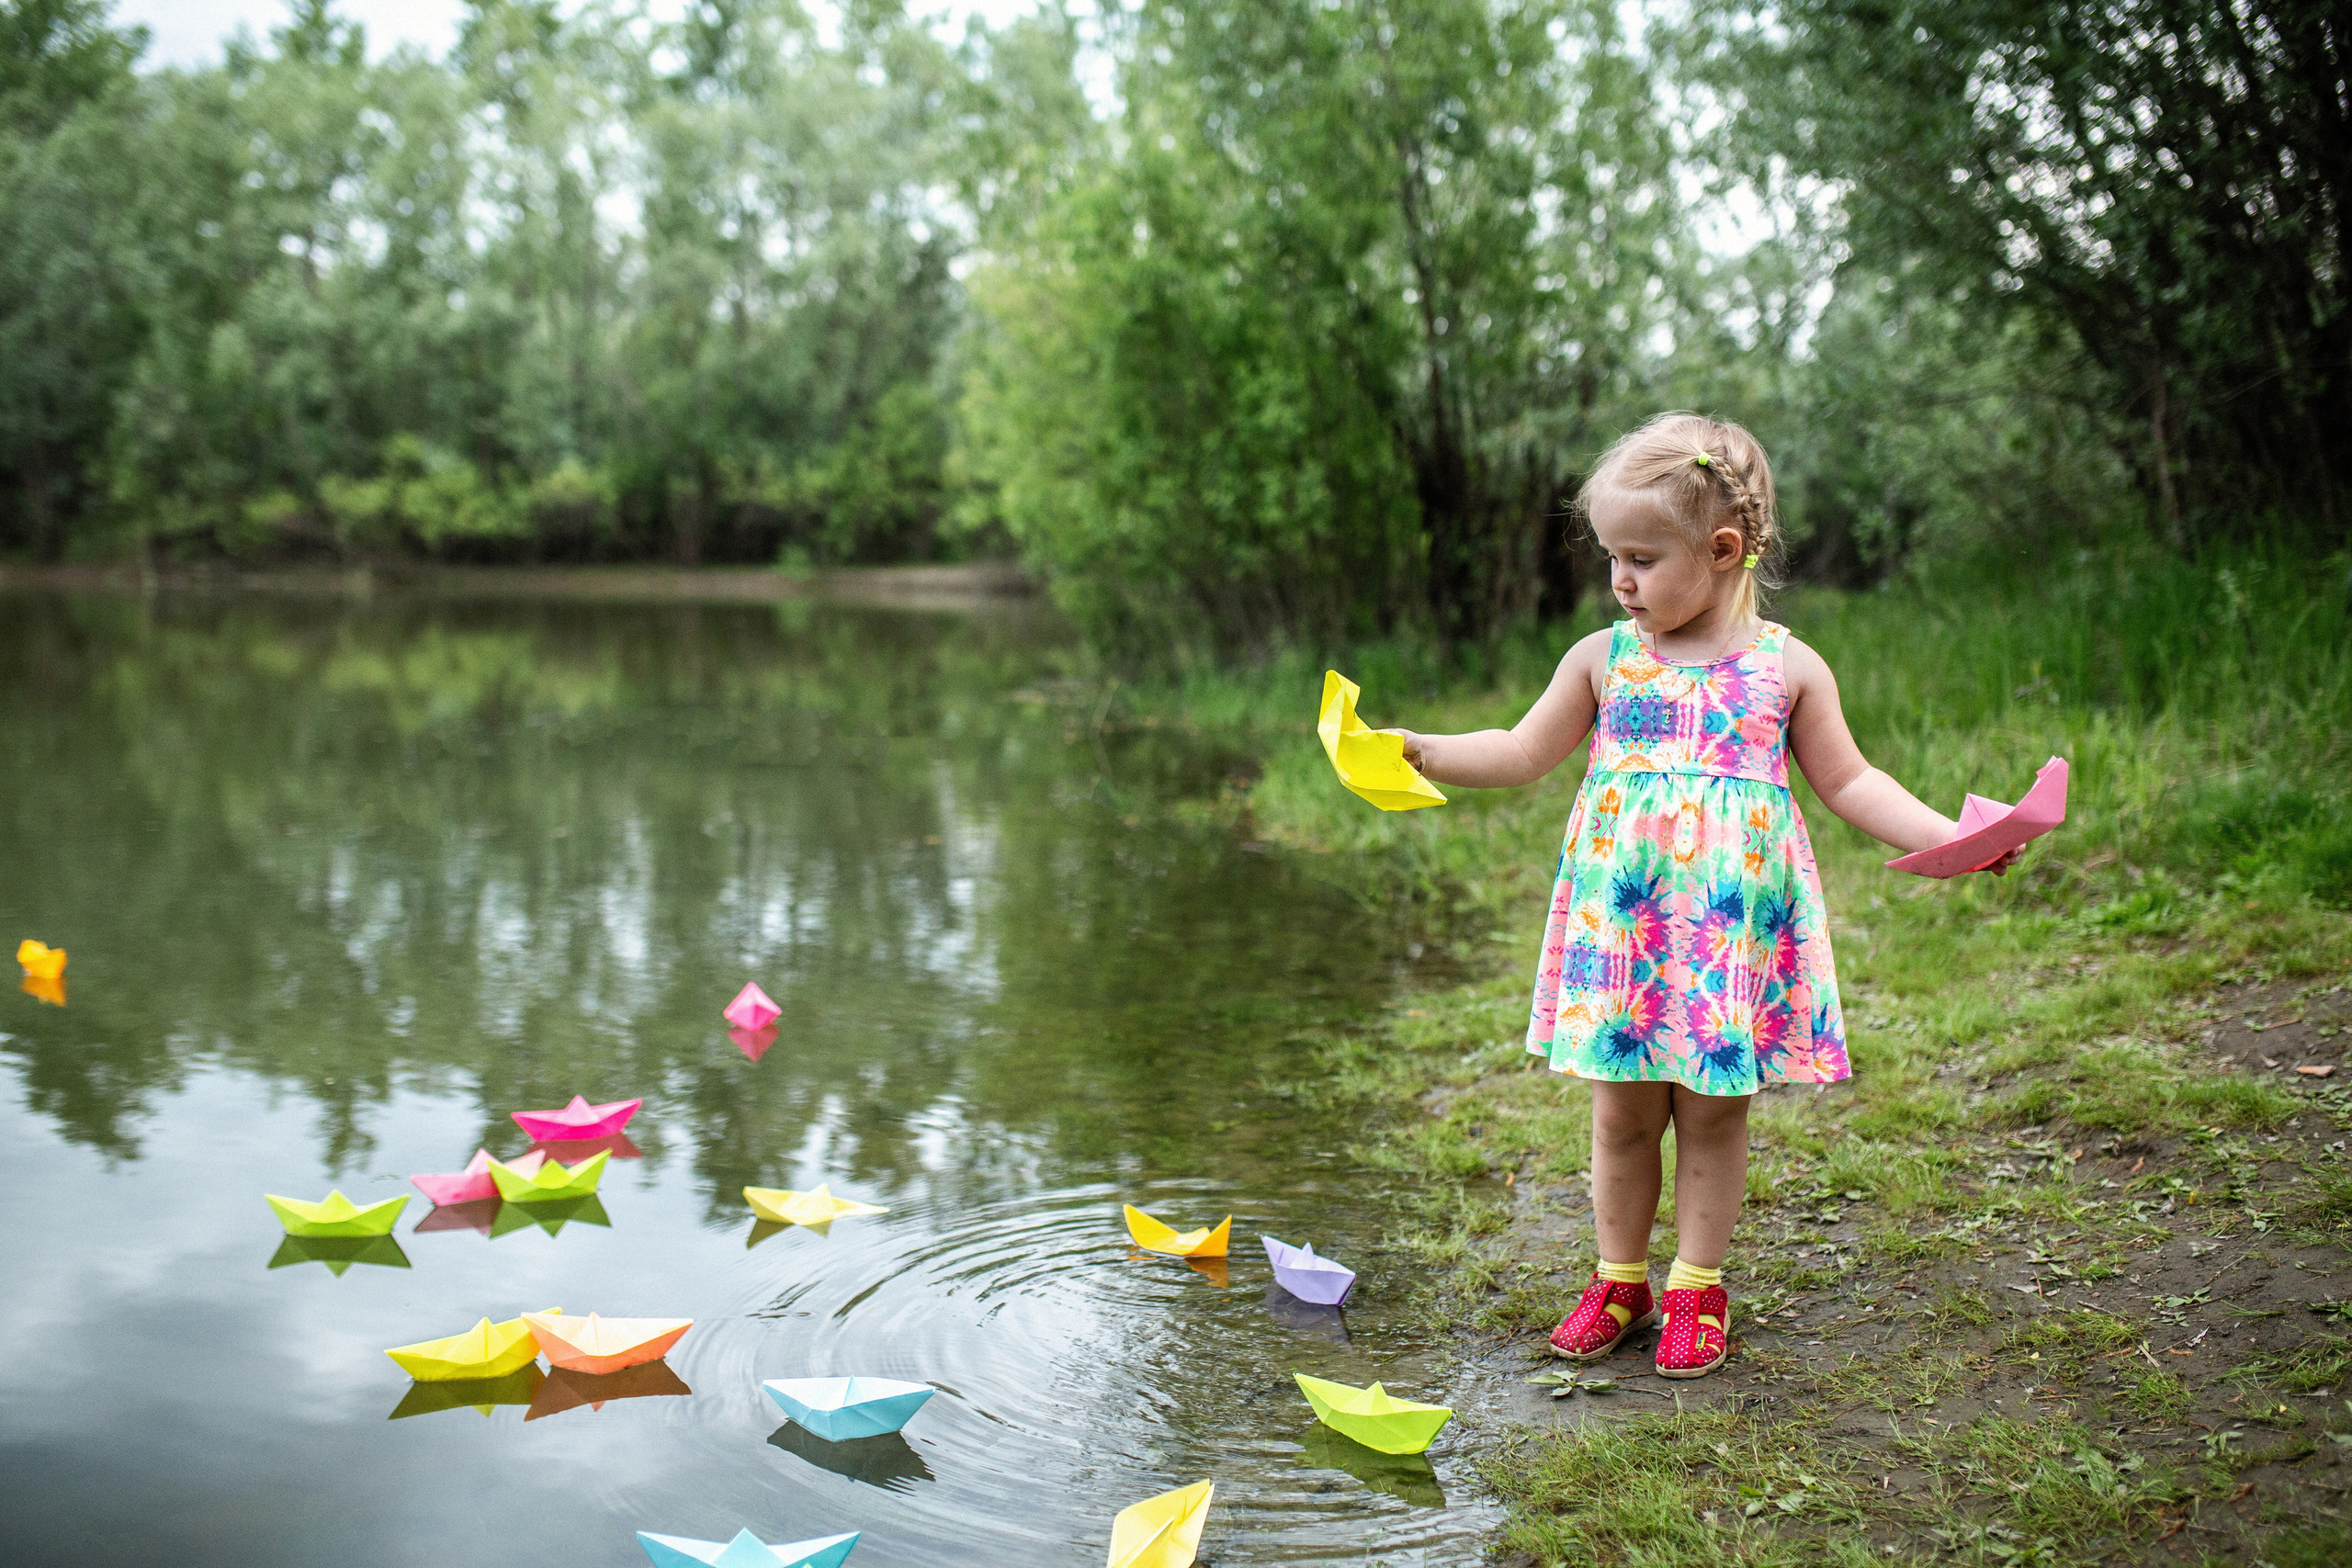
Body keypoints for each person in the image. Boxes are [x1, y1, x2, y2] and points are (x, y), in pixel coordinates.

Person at [1394, 412, 2013, 1379]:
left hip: (1725, 939)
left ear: (1723, 551)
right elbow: (1518, 751)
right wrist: (1424, 751)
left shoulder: (1786, 669)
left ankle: (1696, 1281)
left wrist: (1955, 838)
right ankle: (1619, 1278)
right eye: (1611, 556)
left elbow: (1850, 784)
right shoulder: (1604, 659)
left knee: (1715, 1115)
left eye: (1640, 557)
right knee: (1621, 1115)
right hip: (1628, 933)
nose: (1619, 580)